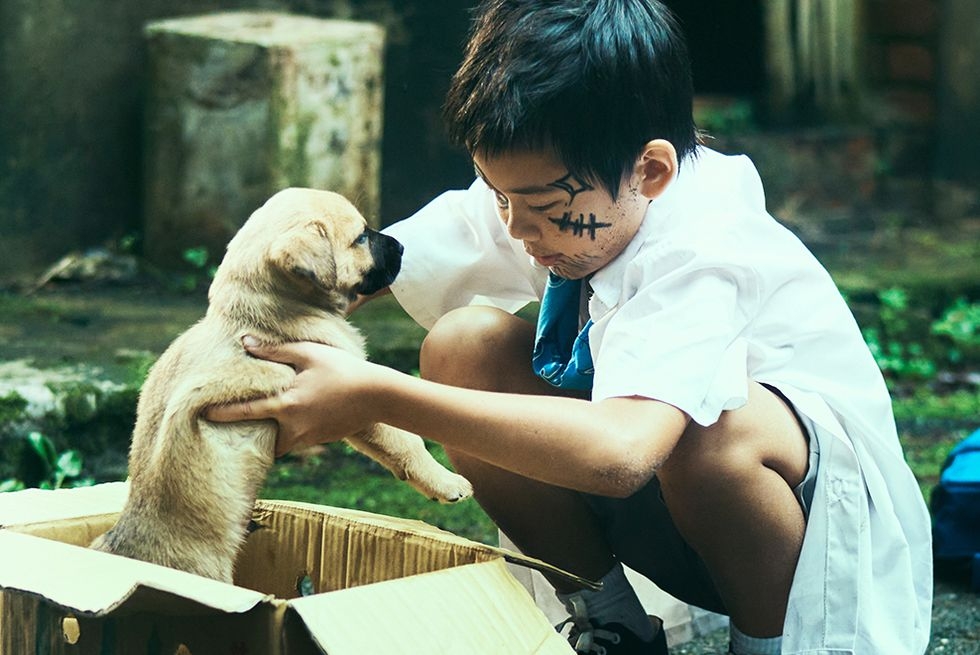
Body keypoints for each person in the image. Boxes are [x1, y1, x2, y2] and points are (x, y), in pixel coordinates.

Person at [206, 1, 933, 653]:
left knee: (713, 427)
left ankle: (766, 646)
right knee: (462, 346)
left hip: (800, 546)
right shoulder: (558, 197)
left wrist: (373, 393)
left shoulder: (704, 247)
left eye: (544, 209)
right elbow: (407, 253)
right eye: (500, 196)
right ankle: (613, 623)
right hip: (670, 521)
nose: (518, 230)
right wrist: (275, 301)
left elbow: (623, 452)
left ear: (650, 173)